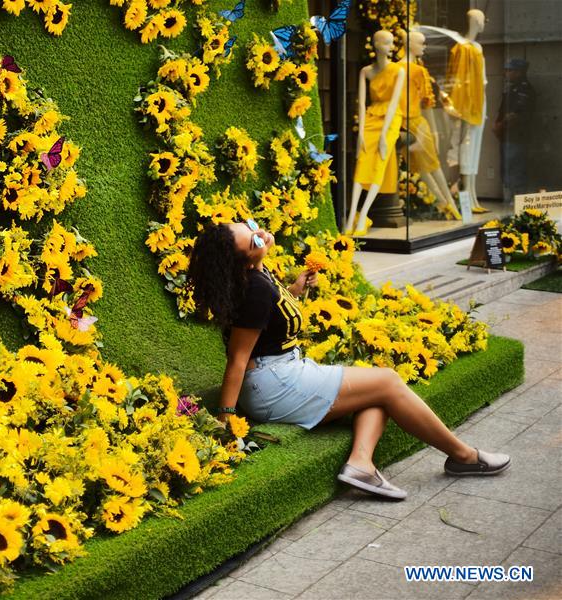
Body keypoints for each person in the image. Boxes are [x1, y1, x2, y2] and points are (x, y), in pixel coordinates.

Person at [186, 220, 511, 500]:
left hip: (284, 372)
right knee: (387, 382)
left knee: (377, 392)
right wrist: (226, 417)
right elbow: (238, 359)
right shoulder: (254, 288)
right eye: (256, 239)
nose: (264, 234)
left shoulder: (258, 275)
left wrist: (295, 291)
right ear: (243, 261)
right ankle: (463, 456)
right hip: (272, 385)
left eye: (253, 226)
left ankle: (361, 465)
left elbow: (268, 318)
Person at [493, 58, 535, 204]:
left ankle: (518, 195)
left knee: (515, 165)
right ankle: (510, 194)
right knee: (507, 165)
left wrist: (501, 124)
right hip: (507, 135)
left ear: (519, 72)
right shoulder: (511, 88)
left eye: (510, 70)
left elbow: (517, 113)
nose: (507, 73)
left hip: (517, 135)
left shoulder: (524, 89)